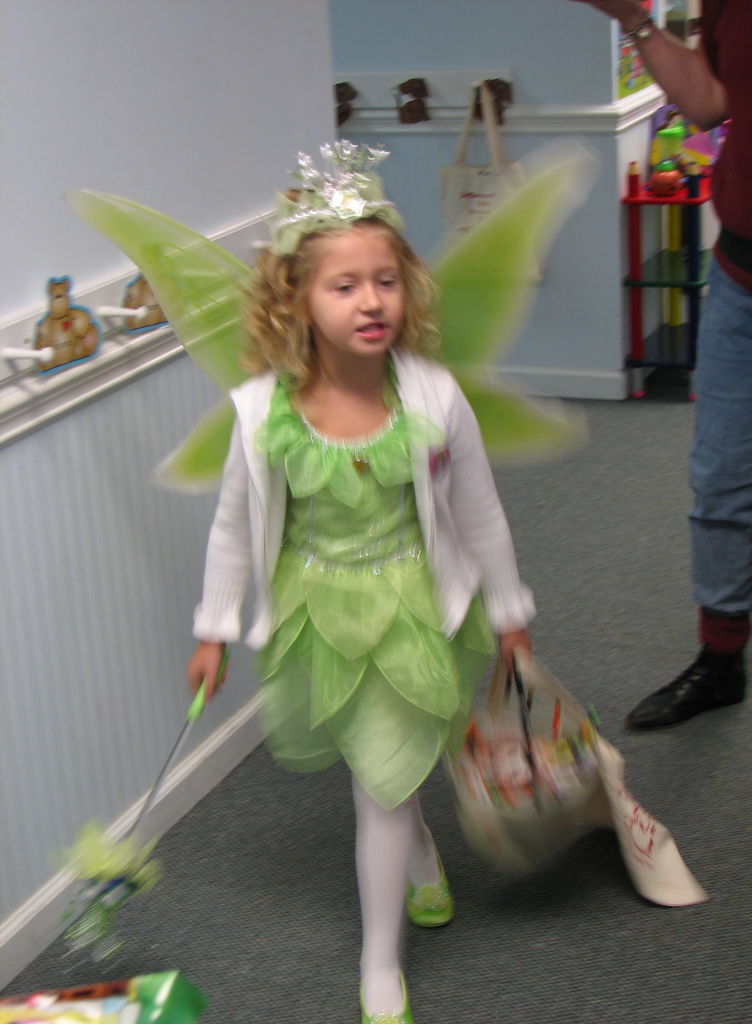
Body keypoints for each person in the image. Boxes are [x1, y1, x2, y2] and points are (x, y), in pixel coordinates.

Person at [185, 142, 534, 1024]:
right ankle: (420, 857)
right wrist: (214, 627)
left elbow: (480, 510)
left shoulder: (431, 397)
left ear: (406, 286)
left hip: (414, 607)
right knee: (376, 768)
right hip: (318, 613)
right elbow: (233, 525)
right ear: (296, 299)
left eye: (385, 280)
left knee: (381, 784)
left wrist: (510, 611)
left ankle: (382, 963)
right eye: (344, 286)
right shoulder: (261, 413)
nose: (371, 301)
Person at [570, 0, 752, 730]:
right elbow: (712, 101)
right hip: (745, 281)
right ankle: (721, 660)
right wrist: (636, 22)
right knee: (722, 476)